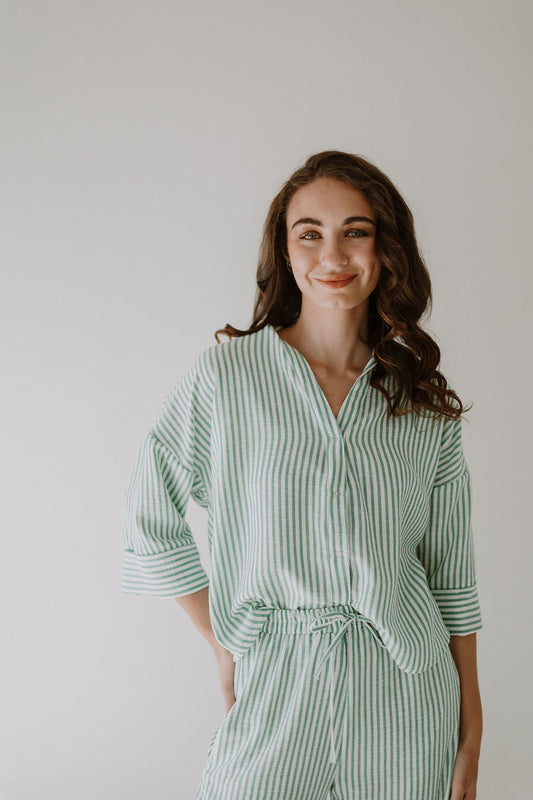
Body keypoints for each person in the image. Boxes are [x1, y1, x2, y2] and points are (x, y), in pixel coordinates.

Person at [121, 150, 483, 800]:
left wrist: (471, 730)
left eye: (356, 230)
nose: (332, 254)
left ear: (385, 249)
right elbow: (149, 521)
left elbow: (450, 576)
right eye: (308, 233)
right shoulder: (226, 380)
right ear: (285, 253)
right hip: (275, 681)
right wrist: (221, 640)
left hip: (405, 692)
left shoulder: (420, 400)